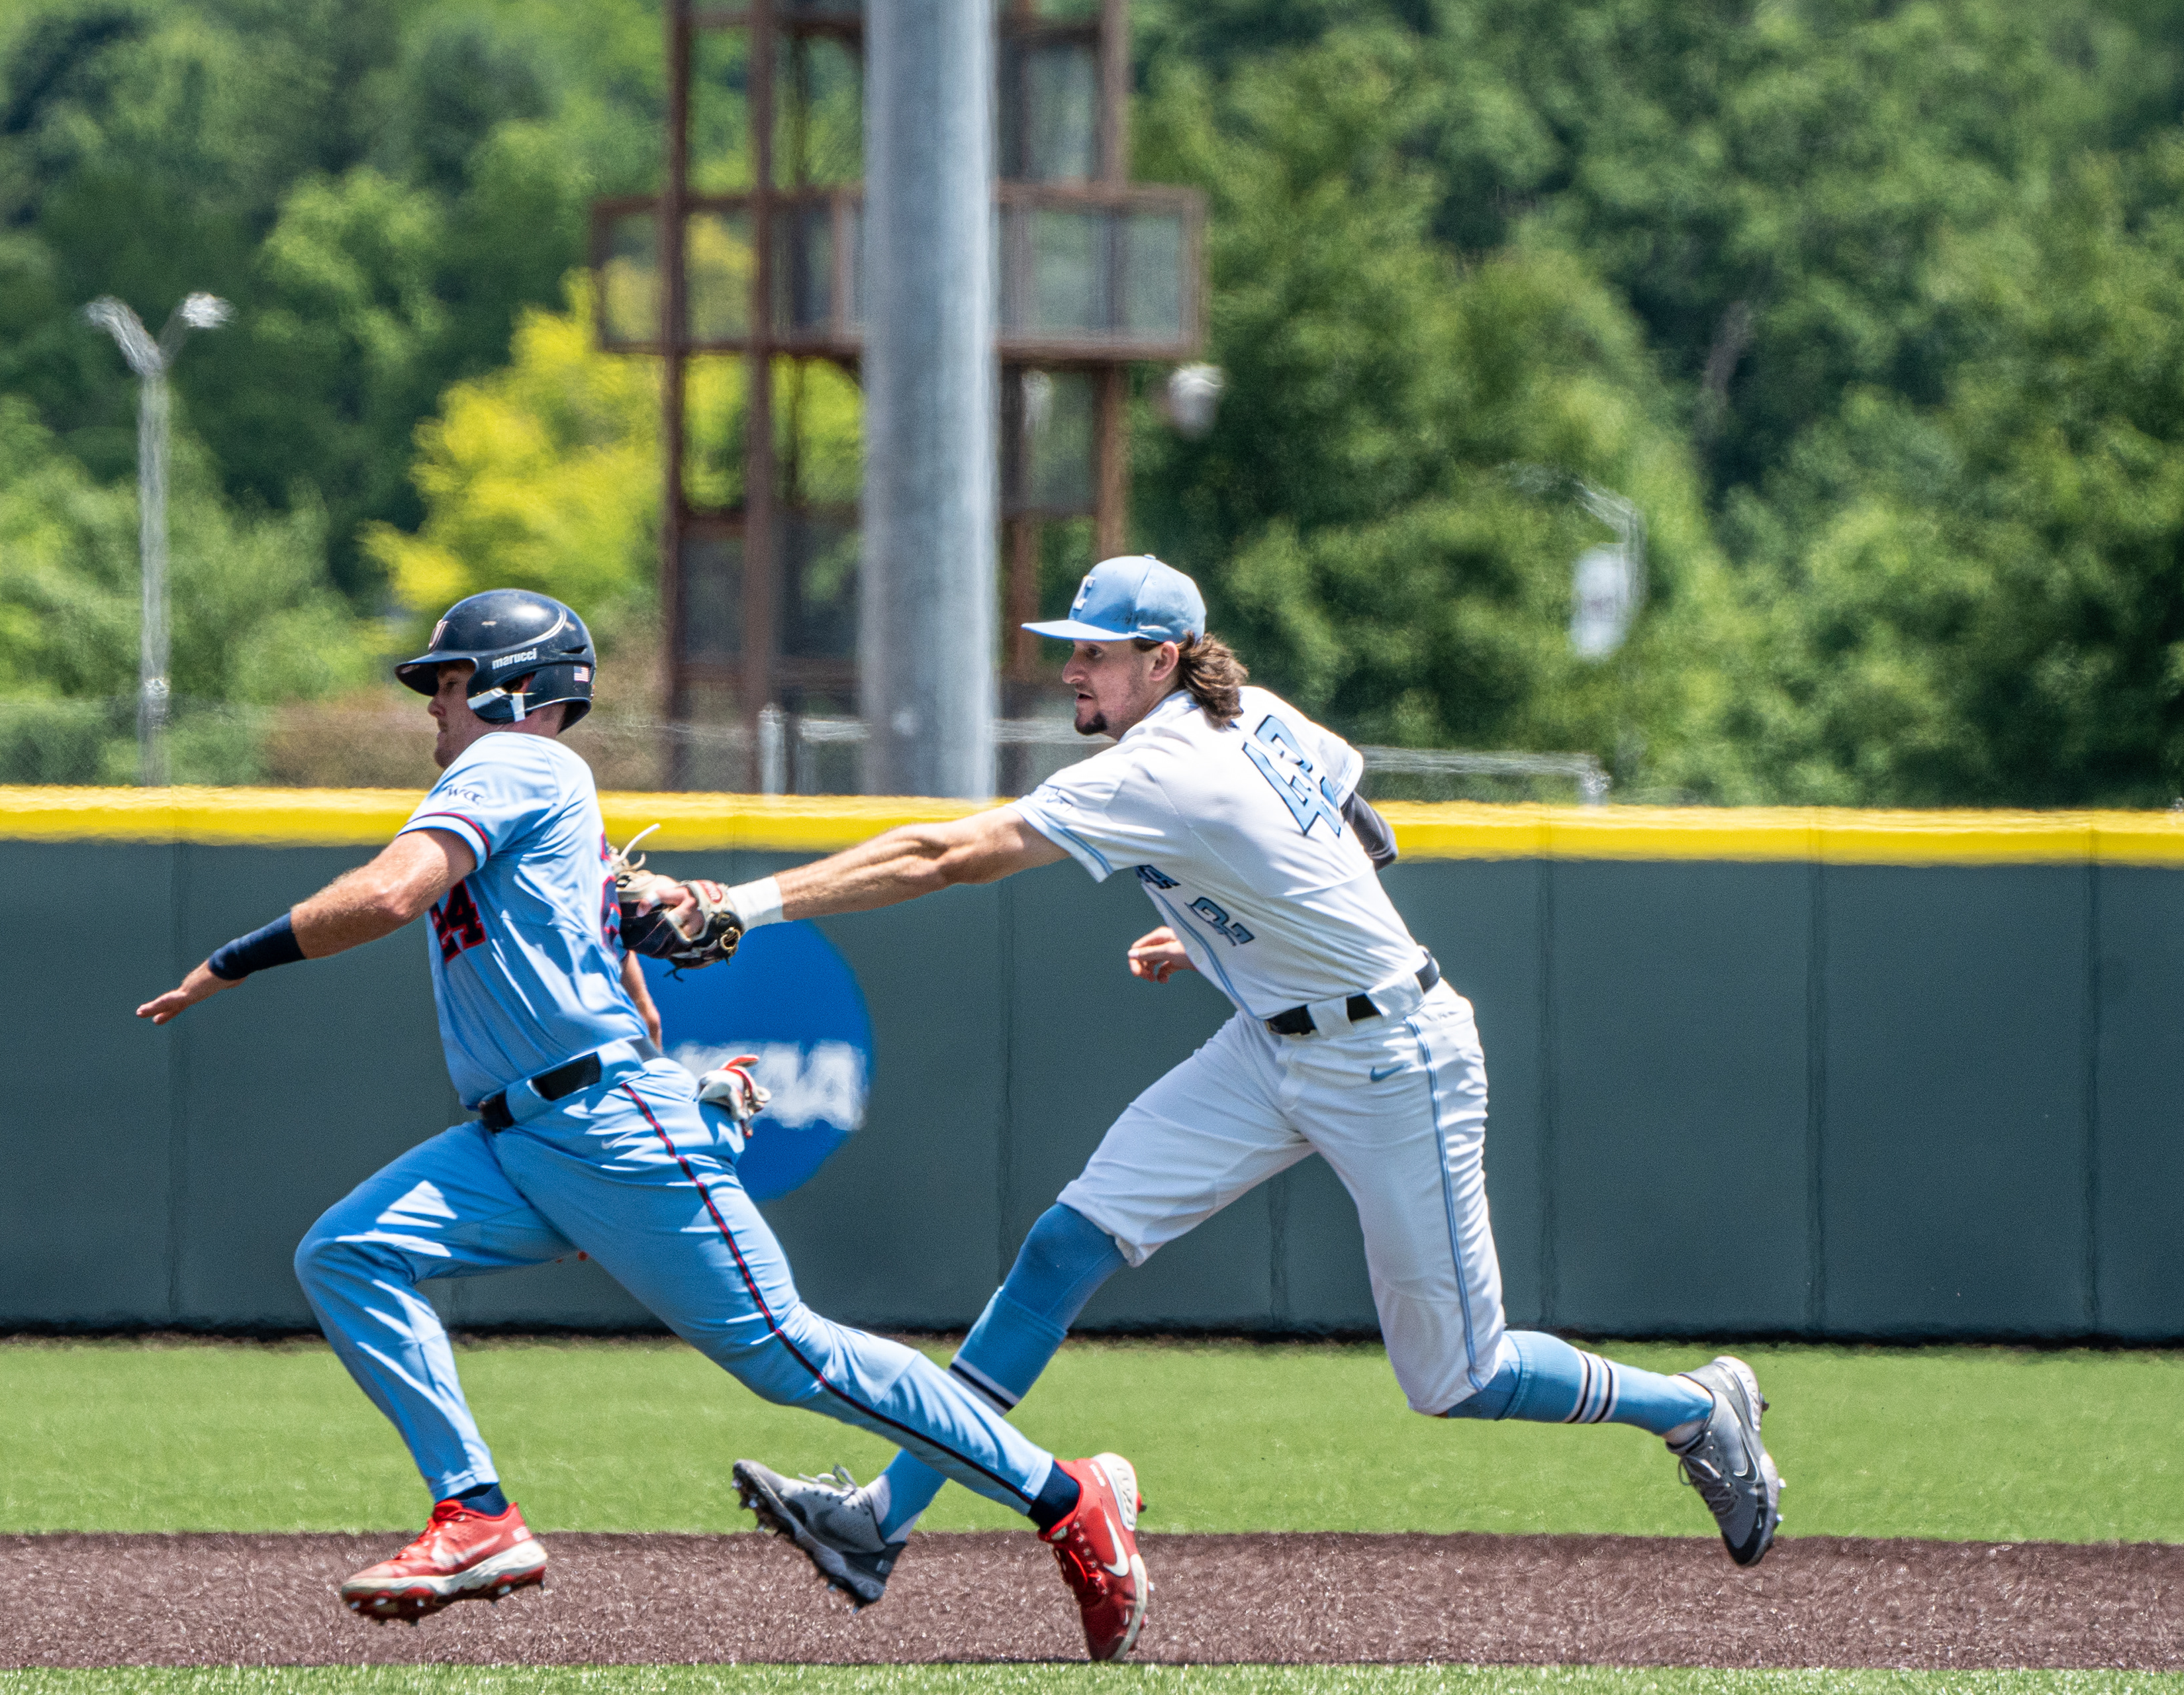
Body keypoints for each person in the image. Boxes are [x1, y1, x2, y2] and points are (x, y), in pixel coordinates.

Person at [705, 556, 1785, 1606]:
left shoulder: (1160, 765)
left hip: (1395, 1062)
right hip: (1272, 1044)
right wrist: (1246, 930)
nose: (1073, 669)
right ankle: (878, 1523)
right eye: (1069, 648)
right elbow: (1367, 830)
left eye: (1098, 652)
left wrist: (740, 908)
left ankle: (1691, 1407)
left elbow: (945, 854)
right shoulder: (1252, 710)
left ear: (1165, 657)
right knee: (1063, 1248)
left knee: (1461, 1377)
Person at [134, 588, 1150, 1662]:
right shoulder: (533, 785)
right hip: (522, 1136)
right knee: (348, 1253)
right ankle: (476, 1515)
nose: (431, 705)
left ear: (504, 687)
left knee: (786, 1358)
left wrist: (233, 960)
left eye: (443, 681)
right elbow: (609, 937)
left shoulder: (514, 762)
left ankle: (1064, 1495)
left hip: (601, 1117)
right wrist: (619, 927)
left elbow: (391, 895)